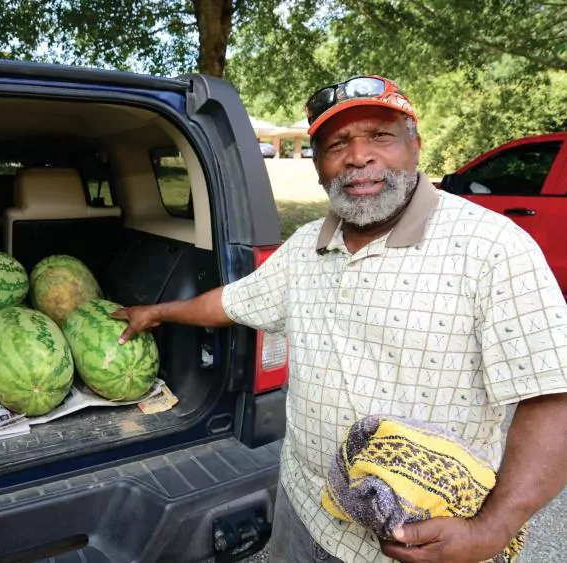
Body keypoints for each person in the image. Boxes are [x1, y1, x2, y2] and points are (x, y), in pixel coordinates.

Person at [111, 75, 567, 563]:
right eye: (337, 144)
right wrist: (156, 312)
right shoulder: (306, 246)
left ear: (415, 146)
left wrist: (492, 528)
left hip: (416, 543)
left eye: (380, 136)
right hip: (303, 507)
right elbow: (231, 303)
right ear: (319, 167)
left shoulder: (492, 247)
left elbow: (554, 396)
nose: (358, 156)